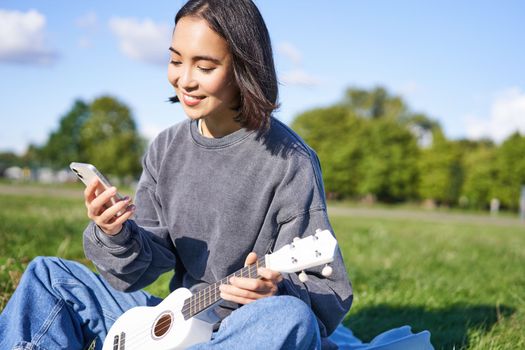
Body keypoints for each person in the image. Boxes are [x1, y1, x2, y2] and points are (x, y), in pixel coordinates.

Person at [0, 0, 353, 349]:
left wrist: (273, 292)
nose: (184, 80)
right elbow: (142, 268)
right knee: (48, 276)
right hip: (175, 321)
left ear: (244, 68)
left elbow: (325, 291)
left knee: (288, 317)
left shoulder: (290, 161)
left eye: (204, 66)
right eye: (175, 60)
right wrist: (116, 232)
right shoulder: (165, 147)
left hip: (242, 331)